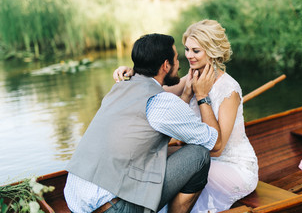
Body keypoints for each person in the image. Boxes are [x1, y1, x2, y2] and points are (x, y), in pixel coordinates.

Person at [64, 33, 223, 213]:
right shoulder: (160, 102)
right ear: (165, 65)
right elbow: (215, 144)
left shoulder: (119, 87)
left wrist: (186, 94)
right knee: (199, 154)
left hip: (75, 203)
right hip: (113, 209)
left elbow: (160, 112)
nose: (180, 64)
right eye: (177, 59)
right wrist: (202, 96)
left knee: (167, 151)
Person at [113, 20, 259, 212]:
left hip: (232, 166)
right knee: (153, 157)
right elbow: (157, 88)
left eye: (195, 51)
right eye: (187, 49)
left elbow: (217, 149)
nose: (188, 55)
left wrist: (202, 96)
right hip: (199, 157)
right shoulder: (192, 75)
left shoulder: (229, 90)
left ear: (212, 51)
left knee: (168, 166)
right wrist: (135, 72)